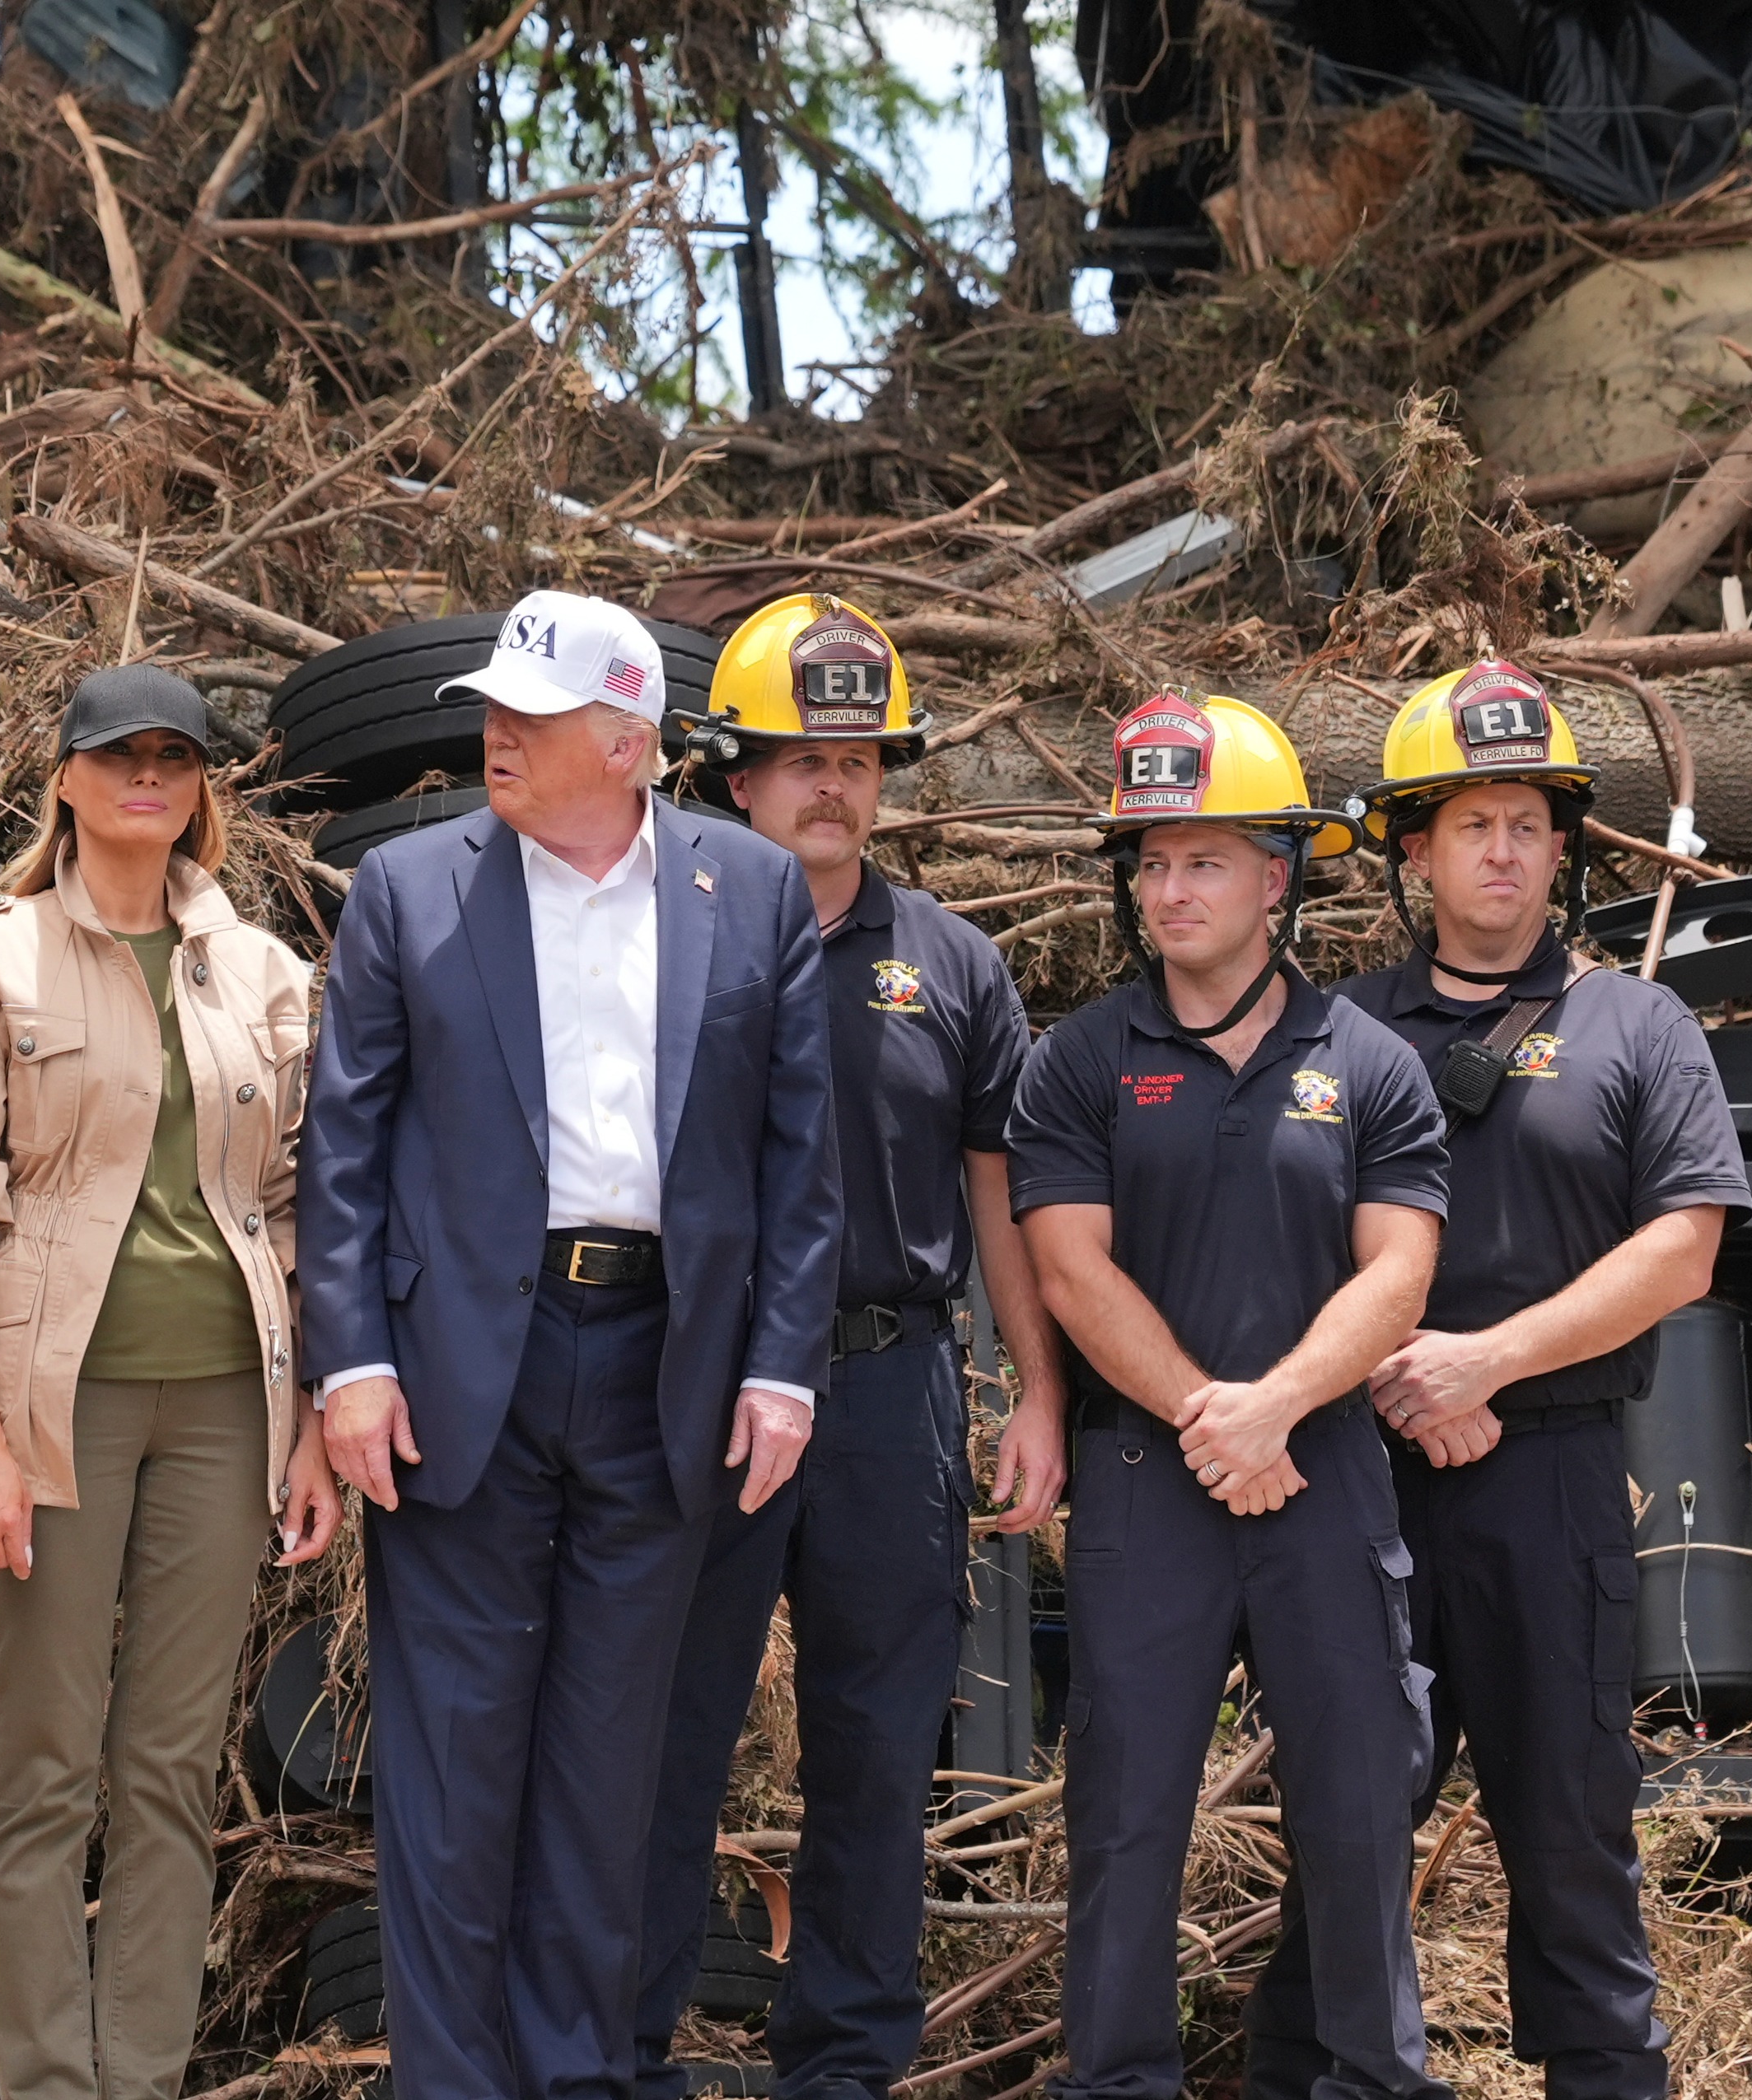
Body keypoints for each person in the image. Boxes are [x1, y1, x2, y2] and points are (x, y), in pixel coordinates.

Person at [300, 590, 843, 2100]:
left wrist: (781, 1365)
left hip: (666, 1365)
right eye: (493, 708)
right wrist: (348, 1364)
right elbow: (339, 1150)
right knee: (452, 1770)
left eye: (528, 718)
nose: (494, 735)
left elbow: (801, 1159)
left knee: (612, 1766)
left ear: (627, 740)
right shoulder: (407, 890)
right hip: (463, 1367)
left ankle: (577, 2077)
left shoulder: (751, 889)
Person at [1245, 664, 1748, 2100]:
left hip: (1550, 1480)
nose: (1504, 850)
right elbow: (1274, 1248)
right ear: (1412, 848)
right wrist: (1390, 1381)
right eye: (1471, 823)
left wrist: (1486, 1361)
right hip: (1360, 1486)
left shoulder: (1635, 1027)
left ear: (1562, 841)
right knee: (1347, 1829)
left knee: (1571, 1836)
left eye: (1528, 821)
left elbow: (1682, 1251)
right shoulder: (1326, 1034)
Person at [633, 595, 1071, 2100]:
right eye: (799, 757)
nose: (832, 784)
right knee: (666, 1732)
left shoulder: (951, 965)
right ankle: (627, 2052)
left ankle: (843, 2067)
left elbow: (1000, 1193)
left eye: (861, 758)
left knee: (876, 1751)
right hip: (691, 1380)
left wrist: (1032, 1388)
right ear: (733, 775)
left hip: (889, 1385)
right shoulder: (662, 937)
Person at [0, 665, 345, 2100]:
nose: (147, 775)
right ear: (69, 780)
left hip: (227, 1401)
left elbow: (292, 1205)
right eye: (119, 754)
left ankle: (137, 2073)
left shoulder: (266, 970)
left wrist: (314, 1425)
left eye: (175, 756)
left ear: (204, 784)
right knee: (45, 1762)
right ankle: (44, 2080)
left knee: (170, 1760)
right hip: (51, 1402)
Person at [1003, 691, 1453, 2100]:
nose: (1169, 888)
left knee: (1357, 1807)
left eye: (1203, 859)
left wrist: (1276, 1412)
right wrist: (1214, 1416)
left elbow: (1398, 1275)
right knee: (1125, 1815)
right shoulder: (1078, 1061)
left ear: (1277, 876)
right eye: (1150, 861)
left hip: (1325, 1480)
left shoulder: (1371, 1062)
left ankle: (1366, 2081)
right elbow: (1070, 1275)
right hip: (1149, 1488)